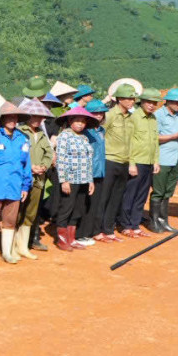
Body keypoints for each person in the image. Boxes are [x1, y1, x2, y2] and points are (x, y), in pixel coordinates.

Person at [0, 101, 34, 263]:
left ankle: (7, 253)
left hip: (15, 185)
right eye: (8, 116)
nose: (12, 119)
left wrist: (25, 185)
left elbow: (26, 164)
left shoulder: (23, 138)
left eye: (15, 117)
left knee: (10, 221)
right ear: (2, 118)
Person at [93, 84, 137, 242]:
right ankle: (97, 230)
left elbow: (132, 141)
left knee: (116, 198)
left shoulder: (131, 118)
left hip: (124, 162)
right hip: (109, 160)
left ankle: (109, 229)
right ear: (119, 99)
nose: (132, 101)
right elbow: (99, 135)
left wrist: (132, 162)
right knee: (103, 197)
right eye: (128, 98)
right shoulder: (110, 115)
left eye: (133, 98)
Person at [53, 106, 98, 251]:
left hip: (84, 179)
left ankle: (71, 239)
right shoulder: (64, 136)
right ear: (70, 121)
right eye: (77, 121)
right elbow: (61, 159)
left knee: (78, 209)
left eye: (83, 121)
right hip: (70, 178)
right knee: (66, 207)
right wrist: (64, 180)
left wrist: (90, 180)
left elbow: (89, 160)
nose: (80, 124)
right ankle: (61, 240)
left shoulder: (84, 137)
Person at [117, 89, 160, 237]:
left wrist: (155, 161)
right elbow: (128, 142)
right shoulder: (133, 117)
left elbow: (155, 141)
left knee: (142, 195)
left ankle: (135, 225)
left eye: (154, 103)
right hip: (136, 162)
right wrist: (131, 163)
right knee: (130, 194)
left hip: (148, 162)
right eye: (149, 102)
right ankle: (125, 225)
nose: (152, 105)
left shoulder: (153, 119)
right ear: (142, 102)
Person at [149, 88, 178, 233]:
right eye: (176, 101)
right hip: (162, 159)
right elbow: (155, 137)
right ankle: (153, 222)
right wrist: (175, 135)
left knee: (168, 192)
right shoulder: (158, 115)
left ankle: (163, 220)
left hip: (175, 159)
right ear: (168, 101)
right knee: (158, 191)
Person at [16, 98, 53, 254]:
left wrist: (44, 166)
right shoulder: (20, 132)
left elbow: (49, 153)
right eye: (34, 116)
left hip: (38, 178)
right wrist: (30, 167)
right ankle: (12, 245)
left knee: (31, 212)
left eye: (40, 117)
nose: (37, 120)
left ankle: (24, 246)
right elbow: (17, 154)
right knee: (17, 210)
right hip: (21, 177)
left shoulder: (42, 135)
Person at [75, 99, 112, 246]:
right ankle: (80, 234)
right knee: (84, 205)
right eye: (95, 112)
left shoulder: (101, 131)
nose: (99, 115)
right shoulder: (85, 131)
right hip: (87, 172)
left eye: (101, 112)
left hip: (100, 172)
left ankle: (88, 232)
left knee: (94, 204)